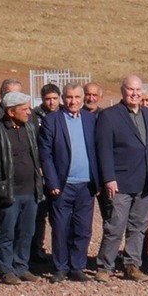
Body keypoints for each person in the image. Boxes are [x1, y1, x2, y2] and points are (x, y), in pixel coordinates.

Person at [95, 75, 148, 280]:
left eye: (138, 90)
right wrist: (108, 178)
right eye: (131, 90)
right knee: (115, 226)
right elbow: (103, 149)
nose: (135, 94)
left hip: (145, 181)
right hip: (120, 181)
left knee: (139, 227)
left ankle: (132, 265)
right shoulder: (110, 116)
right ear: (123, 91)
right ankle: (104, 266)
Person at [39, 83, 100, 282]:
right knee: (60, 227)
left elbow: (98, 151)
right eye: (69, 97)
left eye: (77, 97)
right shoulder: (52, 120)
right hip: (63, 184)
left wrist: (98, 180)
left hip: (86, 184)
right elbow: (46, 154)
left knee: (83, 228)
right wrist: (52, 182)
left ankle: (78, 267)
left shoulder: (91, 120)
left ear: (83, 99)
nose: (73, 101)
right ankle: (60, 267)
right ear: (63, 98)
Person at [0, 91, 43, 284]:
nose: (29, 112)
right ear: (11, 112)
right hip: (10, 191)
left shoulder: (29, 127)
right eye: (25, 109)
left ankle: (22, 266)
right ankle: (5, 269)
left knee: (27, 231)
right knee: (7, 232)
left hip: (31, 190)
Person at [30, 84, 63, 271]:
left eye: (55, 98)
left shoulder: (65, 114)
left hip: (61, 171)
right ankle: (37, 248)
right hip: (40, 171)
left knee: (59, 215)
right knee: (39, 213)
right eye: (48, 99)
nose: (51, 102)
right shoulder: (34, 116)